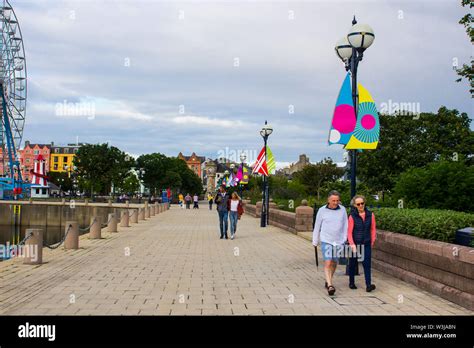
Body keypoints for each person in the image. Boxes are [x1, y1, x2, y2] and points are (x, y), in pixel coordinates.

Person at [312, 190, 348, 296]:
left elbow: (346, 225)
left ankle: (328, 280)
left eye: (337, 200)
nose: (336, 202)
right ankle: (330, 285)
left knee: (334, 262)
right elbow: (317, 226)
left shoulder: (343, 210)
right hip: (326, 240)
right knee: (328, 262)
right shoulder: (322, 210)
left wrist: (345, 238)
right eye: (333, 200)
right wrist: (315, 240)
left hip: (339, 241)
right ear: (328, 200)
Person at [347, 195, 377, 292]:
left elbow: (373, 229)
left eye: (362, 203)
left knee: (366, 264)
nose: (361, 205)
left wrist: (372, 241)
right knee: (353, 263)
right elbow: (349, 232)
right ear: (355, 205)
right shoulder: (352, 216)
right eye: (358, 204)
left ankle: (368, 285)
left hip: (366, 243)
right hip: (355, 243)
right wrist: (352, 244)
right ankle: (351, 282)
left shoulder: (370, 215)